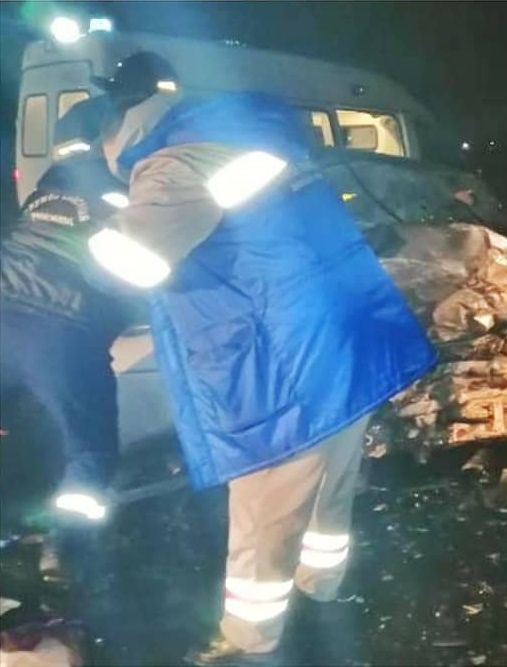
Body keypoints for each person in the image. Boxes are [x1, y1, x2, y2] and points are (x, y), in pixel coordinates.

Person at [89, 52, 436, 664]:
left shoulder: (170, 166)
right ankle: (323, 588)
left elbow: (132, 263)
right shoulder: (244, 134)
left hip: (280, 363)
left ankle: (252, 640)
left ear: (118, 130)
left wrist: (85, 232)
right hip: (339, 345)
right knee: (330, 484)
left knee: (264, 510)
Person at [0, 96, 136, 580]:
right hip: (63, 331)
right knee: (90, 450)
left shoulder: (50, 181)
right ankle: (64, 548)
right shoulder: (132, 187)